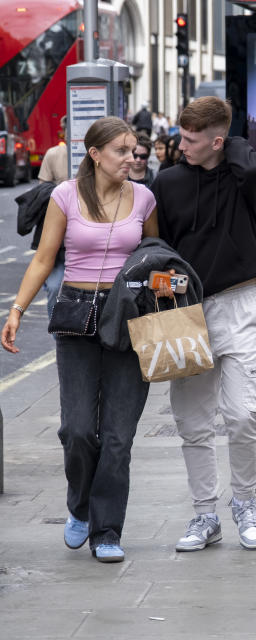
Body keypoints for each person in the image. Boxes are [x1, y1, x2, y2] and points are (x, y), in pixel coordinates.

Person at [2, 117, 161, 562]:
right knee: (76, 430)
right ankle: (80, 507)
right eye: (122, 151)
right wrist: (16, 311)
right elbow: (43, 260)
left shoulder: (144, 198)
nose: (132, 158)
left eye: (134, 150)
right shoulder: (65, 195)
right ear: (94, 154)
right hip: (75, 313)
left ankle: (107, 530)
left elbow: (154, 255)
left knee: (117, 436)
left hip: (127, 318)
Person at [151, 96, 256, 553]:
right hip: (186, 307)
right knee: (193, 421)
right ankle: (205, 512)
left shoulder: (246, 177)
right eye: (181, 136)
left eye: (190, 139)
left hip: (241, 303)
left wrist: (231, 145)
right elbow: (158, 246)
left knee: (244, 415)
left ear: (218, 141)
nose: (181, 145)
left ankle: (244, 502)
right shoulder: (167, 182)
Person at [37, 116, 70, 320]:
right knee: (55, 287)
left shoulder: (97, 156)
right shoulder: (53, 154)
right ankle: (58, 336)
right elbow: (41, 193)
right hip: (58, 240)